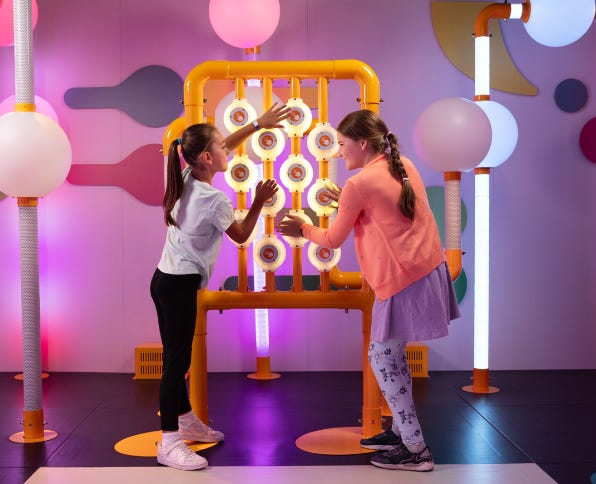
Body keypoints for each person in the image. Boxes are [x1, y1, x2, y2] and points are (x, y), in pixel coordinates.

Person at [278, 109, 460, 472]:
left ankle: (416, 450)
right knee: (391, 356)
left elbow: (331, 240)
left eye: (343, 145)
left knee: (382, 357)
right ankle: (401, 431)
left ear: (362, 143)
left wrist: (303, 228)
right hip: (425, 271)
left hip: (402, 280)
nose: (339, 152)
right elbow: (385, 213)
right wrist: (341, 203)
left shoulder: (359, 183)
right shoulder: (400, 164)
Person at [151, 103, 290, 471]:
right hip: (178, 286)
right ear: (208, 158)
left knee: (175, 359)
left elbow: (219, 144)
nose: (229, 150)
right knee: (175, 365)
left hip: (164, 280)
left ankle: (184, 418)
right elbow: (243, 236)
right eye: (223, 150)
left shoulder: (186, 176)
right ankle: (169, 443)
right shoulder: (213, 199)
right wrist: (259, 202)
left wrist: (258, 124)